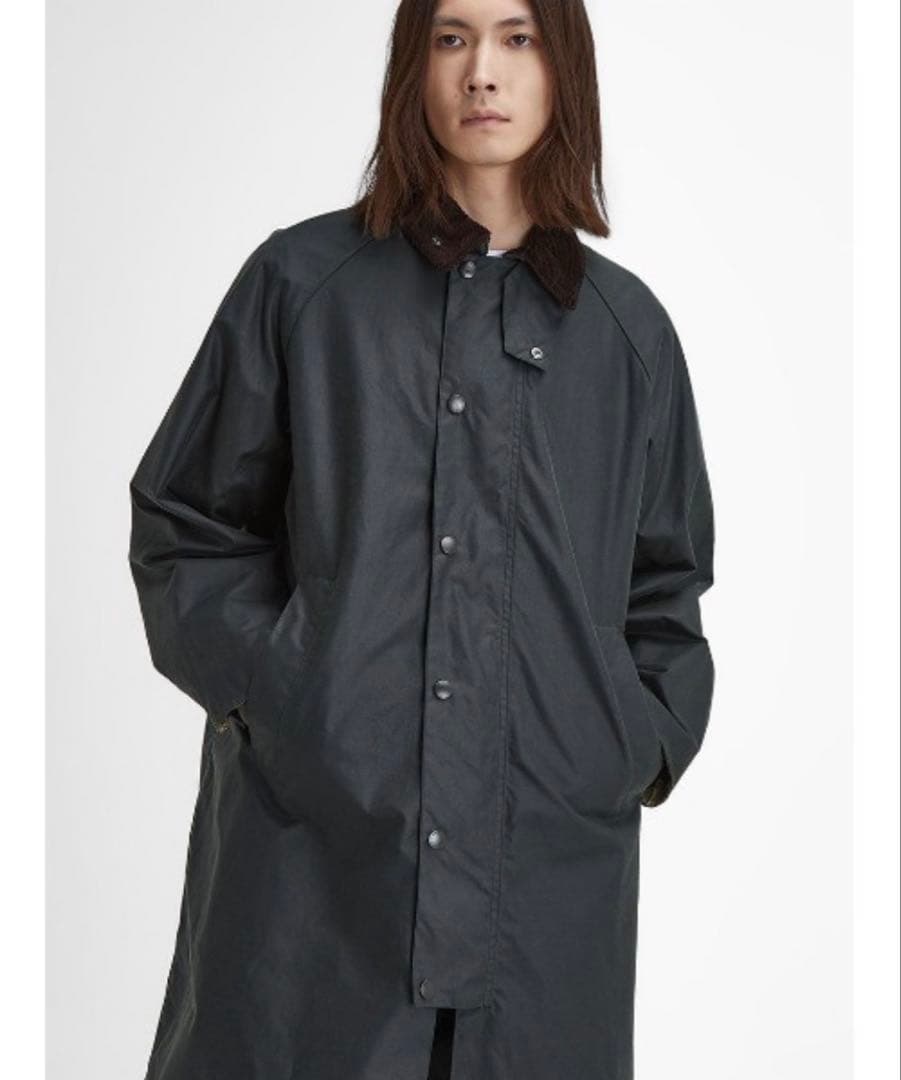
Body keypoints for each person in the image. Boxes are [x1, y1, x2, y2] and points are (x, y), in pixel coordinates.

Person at [127, 1, 716, 1077]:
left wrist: (627, 742)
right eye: (451, 38)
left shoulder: (626, 334)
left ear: (563, 69)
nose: (481, 71)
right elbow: (187, 524)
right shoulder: (304, 285)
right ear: (413, 67)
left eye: (516, 37)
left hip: (546, 879)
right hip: (320, 860)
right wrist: (287, 692)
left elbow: (664, 586)